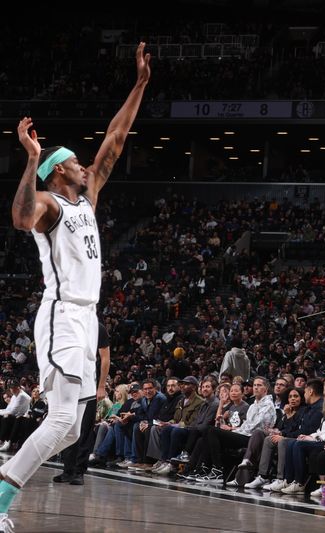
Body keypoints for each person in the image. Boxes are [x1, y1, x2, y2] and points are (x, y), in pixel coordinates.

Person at [1, 42, 150, 531]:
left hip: (88, 318)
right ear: (60, 169)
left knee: (69, 429)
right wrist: (31, 159)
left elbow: (117, 137)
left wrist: (141, 84)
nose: (87, 165)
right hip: (62, 312)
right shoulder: (48, 202)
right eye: (77, 162)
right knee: (63, 421)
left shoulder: (86, 199)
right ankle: (1, 497)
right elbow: (21, 219)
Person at [53, 323, 111, 485]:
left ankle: (79, 471)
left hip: (88, 386)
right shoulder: (68, 325)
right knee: (68, 427)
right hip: (68, 384)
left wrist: (101, 386)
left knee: (85, 429)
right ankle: (68, 470)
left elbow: (105, 358)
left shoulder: (98, 328)